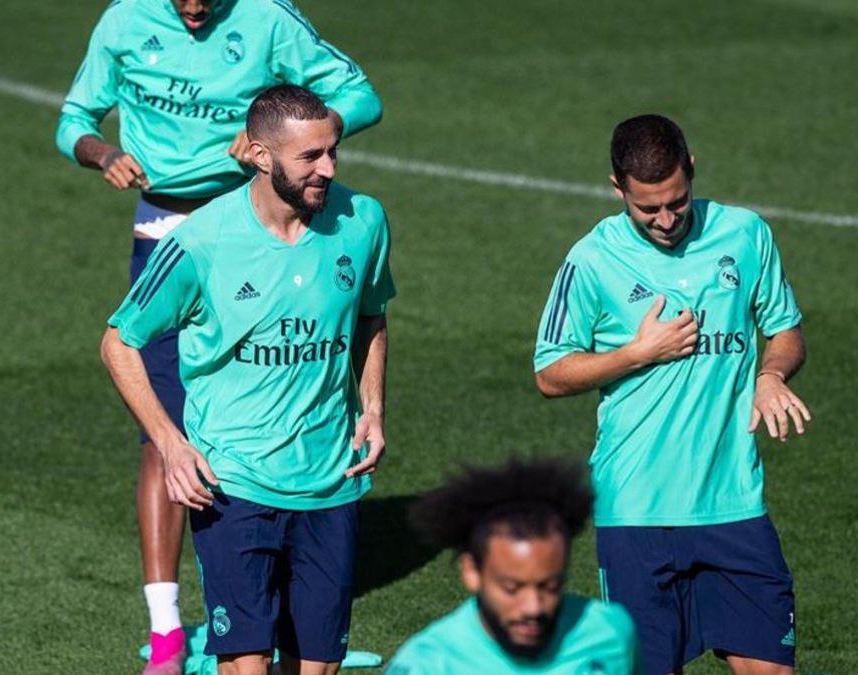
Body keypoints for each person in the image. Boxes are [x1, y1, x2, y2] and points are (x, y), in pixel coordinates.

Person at [57, 1, 383, 670]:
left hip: (277, 223)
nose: (194, 7)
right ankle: (168, 628)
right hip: (171, 234)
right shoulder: (124, 22)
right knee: (164, 436)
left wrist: (305, 143)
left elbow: (361, 94)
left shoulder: (270, 20)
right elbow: (73, 124)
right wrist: (104, 153)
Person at [533, 114, 809, 675]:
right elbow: (549, 372)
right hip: (637, 511)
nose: (665, 220)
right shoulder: (591, 260)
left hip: (734, 501)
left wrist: (771, 376)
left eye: (677, 202)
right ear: (618, 189)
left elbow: (785, 331)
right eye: (647, 209)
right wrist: (636, 354)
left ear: (692, 170)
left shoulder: (746, 234)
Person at [385, 458, 642, 673]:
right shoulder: (426, 665)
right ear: (472, 572)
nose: (533, 607)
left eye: (550, 586)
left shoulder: (610, 633)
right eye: (512, 588)